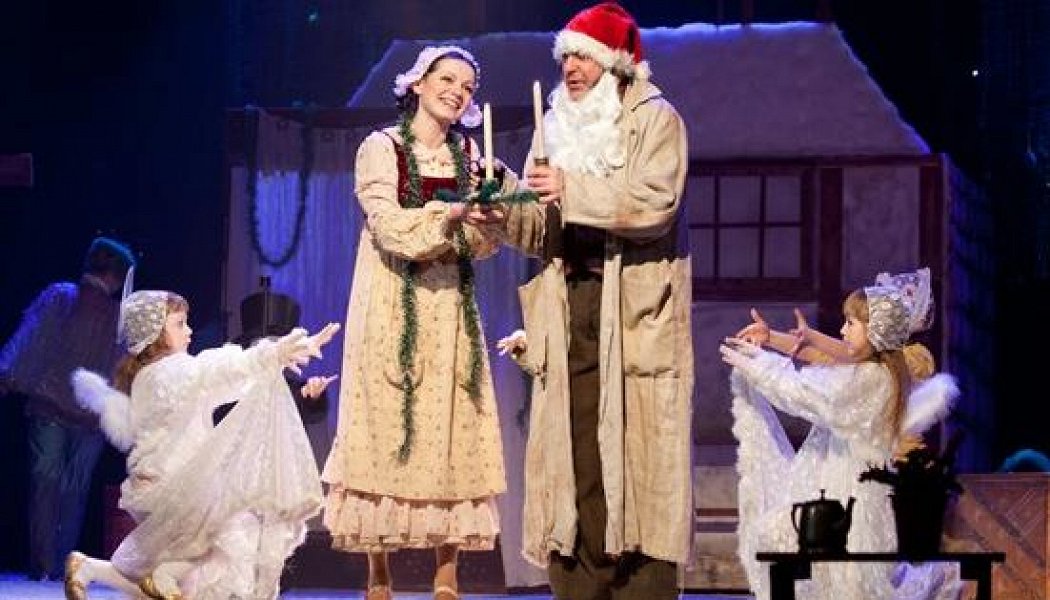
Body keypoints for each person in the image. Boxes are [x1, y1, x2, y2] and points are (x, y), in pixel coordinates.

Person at [497, 3, 694, 598]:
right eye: (565, 58)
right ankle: (580, 583)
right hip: (570, 308)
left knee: (634, 460)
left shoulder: (655, 120)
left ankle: (639, 587)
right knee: (575, 451)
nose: (570, 69)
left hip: (630, 311)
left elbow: (655, 202)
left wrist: (571, 187)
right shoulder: (554, 126)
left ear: (616, 64)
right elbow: (540, 231)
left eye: (583, 57)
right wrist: (502, 199)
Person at [319, 45, 511, 600]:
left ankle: (446, 569)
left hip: (449, 302)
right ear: (419, 84)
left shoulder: (470, 155)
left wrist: (485, 219)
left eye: (468, 87)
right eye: (447, 79)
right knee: (384, 419)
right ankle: (378, 568)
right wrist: (449, 215)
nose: (458, 92)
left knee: (450, 420)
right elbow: (388, 226)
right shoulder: (381, 147)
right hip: (390, 299)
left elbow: (483, 243)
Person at [62, 289, 340, 599]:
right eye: (179, 324)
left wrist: (274, 361)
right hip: (180, 487)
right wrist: (273, 354)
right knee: (236, 539)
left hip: (162, 485)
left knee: (187, 572)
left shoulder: (152, 375)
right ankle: (165, 575)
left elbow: (221, 383)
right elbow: (214, 370)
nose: (190, 331)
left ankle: (90, 568)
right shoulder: (169, 372)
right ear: (155, 336)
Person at [721, 268, 963, 599]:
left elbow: (809, 392)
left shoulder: (877, 377)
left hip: (852, 498)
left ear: (876, 331)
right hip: (835, 486)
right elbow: (828, 357)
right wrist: (771, 341)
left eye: (850, 323)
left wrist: (758, 365)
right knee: (789, 547)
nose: (842, 330)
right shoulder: (871, 369)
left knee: (849, 584)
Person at [0, 236, 135, 581]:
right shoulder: (74, 301)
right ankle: (59, 567)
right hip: (80, 414)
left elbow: (30, 339)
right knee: (72, 490)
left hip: (57, 410)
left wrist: (8, 375)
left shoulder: (65, 298)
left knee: (47, 483)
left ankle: (46, 567)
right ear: (118, 276)